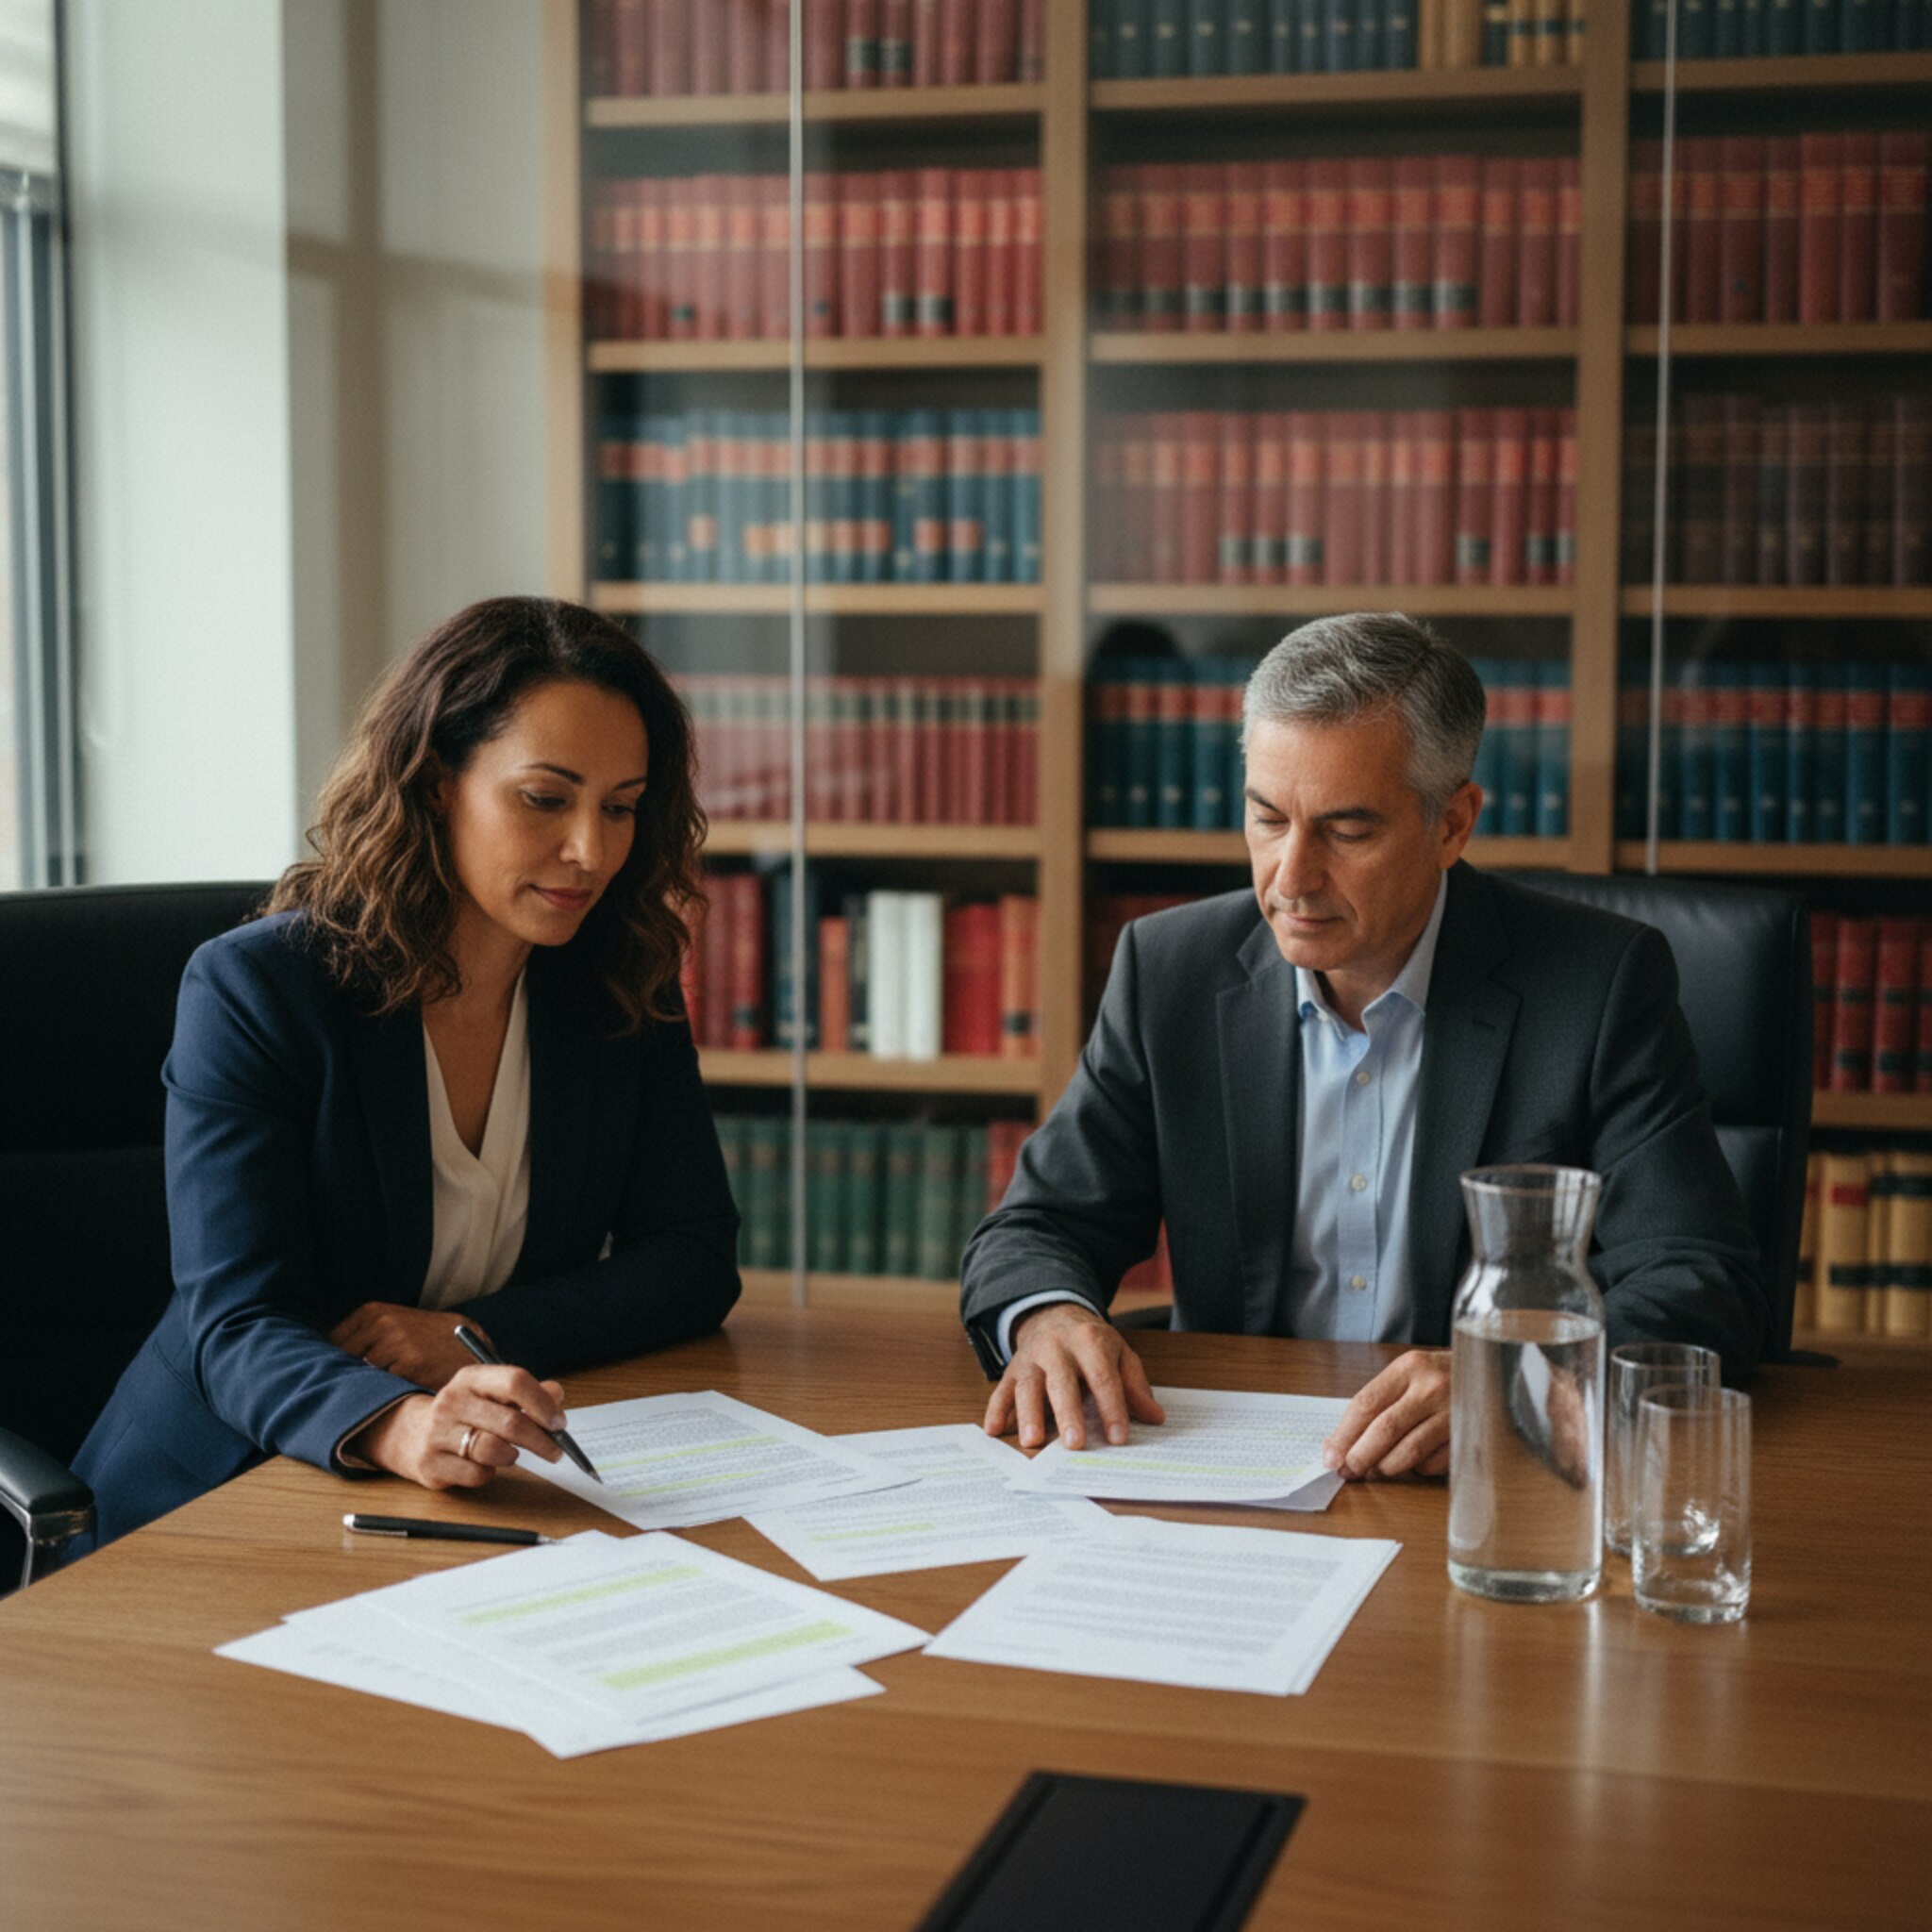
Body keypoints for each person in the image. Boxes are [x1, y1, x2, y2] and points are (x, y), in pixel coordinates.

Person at [961, 613, 1769, 1480]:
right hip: (1231, 1468)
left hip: (1475, 1480)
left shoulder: (1600, 986)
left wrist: (1514, 1379)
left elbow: (1697, 1277)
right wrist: (1048, 1317)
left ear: (1453, 824)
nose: (1291, 877)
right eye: (1268, 818)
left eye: (1347, 833)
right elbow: (1041, 1224)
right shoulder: (1170, 972)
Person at [73, 596, 741, 1548]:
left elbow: (691, 1256)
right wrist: (402, 1419)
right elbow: (235, 1321)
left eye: (621, 807)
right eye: (545, 798)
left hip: (451, 1499)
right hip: (216, 1497)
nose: (590, 850)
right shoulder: (260, 989)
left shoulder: (619, 982)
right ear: (436, 781)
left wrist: (469, 1331)